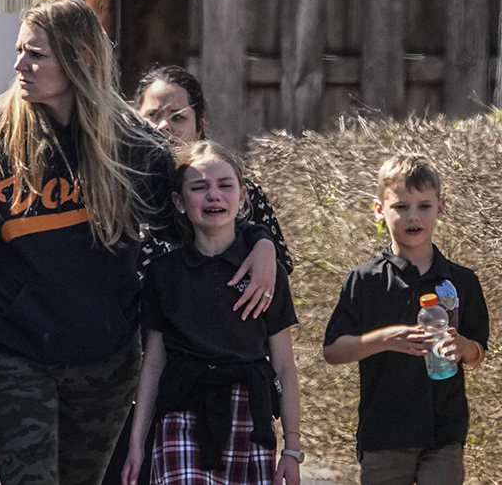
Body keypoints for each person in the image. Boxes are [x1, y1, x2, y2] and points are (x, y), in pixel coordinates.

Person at [0, 0, 277, 485]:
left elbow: (204, 204)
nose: (19, 64)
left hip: (106, 359)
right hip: (12, 352)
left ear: (81, 59)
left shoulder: (133, 144)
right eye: (19, 50)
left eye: (36, 54)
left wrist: (258, 239)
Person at [122, 141, 301, 485]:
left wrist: (292, 447)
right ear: (179, 202)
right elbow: (154, 363)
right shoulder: (164, 273)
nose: (213, 196)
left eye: (225, 185)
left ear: (243, 195)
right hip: (182, 412)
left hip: (251, 415)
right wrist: (136, 444)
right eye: (199, 187)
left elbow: (284, 366)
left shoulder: (267, 272)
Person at [322, 155, 488, 485]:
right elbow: (333, 351)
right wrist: (385, 339)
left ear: (440, 207)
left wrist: (463, 346)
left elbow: (478, 354)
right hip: (384, 435)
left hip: (444, 432)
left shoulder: (462, 280)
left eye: (424, 206)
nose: (413, 216)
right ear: (379, 210)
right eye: (401, 206)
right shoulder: (365, 280)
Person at [133, 65, 293, 275]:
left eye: (178, 117)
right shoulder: (121, 193)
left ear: (199, 128)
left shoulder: (237, 191)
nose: (163, 126)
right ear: (135, 123)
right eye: (152, 115)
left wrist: (263, 243)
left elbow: (277, 273)